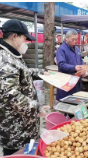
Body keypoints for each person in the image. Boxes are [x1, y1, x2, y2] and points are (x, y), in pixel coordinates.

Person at [0, 19, 47, 156]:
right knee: (17, 154)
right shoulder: (4, 59)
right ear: (14, 36)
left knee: (29, 151)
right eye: (25, 39)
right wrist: (36, 106)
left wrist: (43, 73)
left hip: (25, 125)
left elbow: (23, 72)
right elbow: (10, 94)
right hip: (14, 128)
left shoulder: (13, 54)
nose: (26, 43)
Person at [56, 30, 88, 101]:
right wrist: (74, 68)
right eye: (72, 39)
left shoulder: (77, 49)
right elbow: (61, 65)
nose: (75, 42)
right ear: (66, 38)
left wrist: (83, 69)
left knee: (76, 101)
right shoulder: (61, 50)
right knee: (66, 102)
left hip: (76, 82)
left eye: (76, 39)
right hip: (66, 82)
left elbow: (80, 60)